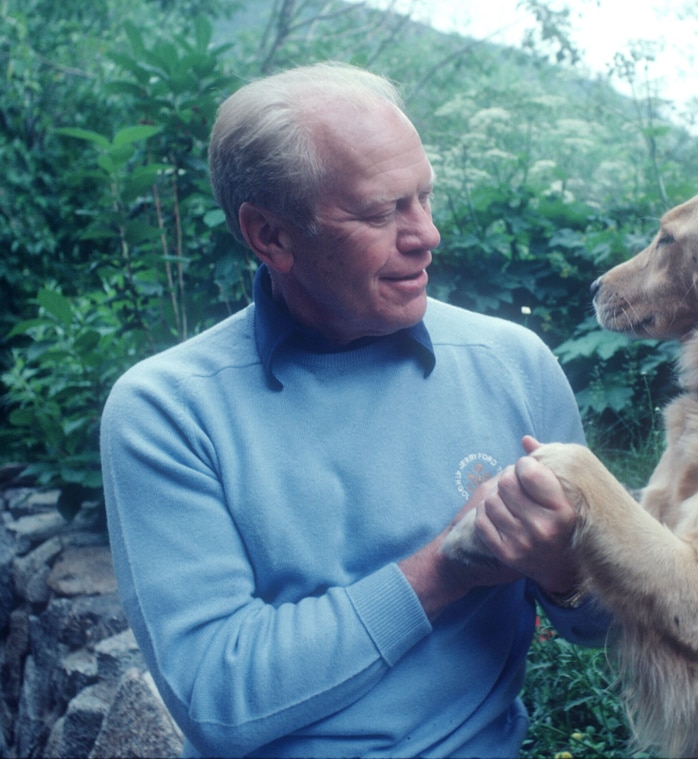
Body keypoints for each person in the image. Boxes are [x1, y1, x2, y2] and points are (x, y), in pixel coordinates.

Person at [99, 62, 608, 758]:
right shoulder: (166, 410)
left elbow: (607, 623)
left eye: (424, 197)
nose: (426, 234)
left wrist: (565, 571)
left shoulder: (513, 363)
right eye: (379, 211)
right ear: (270, 236)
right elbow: (218, 699)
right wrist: (447, 567)